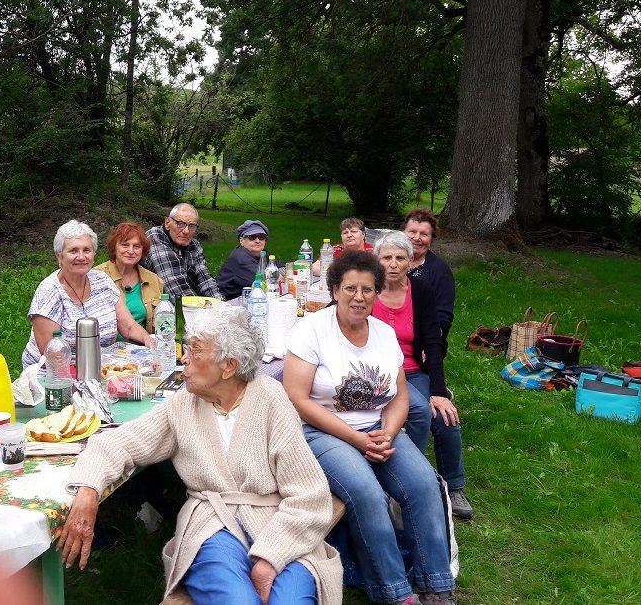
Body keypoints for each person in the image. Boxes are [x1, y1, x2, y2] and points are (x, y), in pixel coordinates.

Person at [59, 306, 342, 605]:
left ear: (228, 366)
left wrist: (270, 558)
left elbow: (310, 497)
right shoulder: (182, 405)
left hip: (278, 522)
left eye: (195, 350)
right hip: (211, 524)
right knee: (237, 601)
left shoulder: (271, 398)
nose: (184, 358)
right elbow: (117, 443)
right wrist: (89, 489)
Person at [284, 250, 457, 605]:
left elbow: (400, 398)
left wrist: (389, 433)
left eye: (367, 289)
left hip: (379, 427)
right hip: (325, 431)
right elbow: (298, 399)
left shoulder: (384, 334)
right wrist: (357, 439)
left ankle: (436, 586)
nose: (358, 297)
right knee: (366, 494)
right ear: (334, 290)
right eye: (350, 288)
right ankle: (395, 591)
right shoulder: (310, 332)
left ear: (377, 293)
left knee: (423, 484)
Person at [373, 232, 472, 521]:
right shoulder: (367, 289)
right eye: (386, 257)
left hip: (413, 370)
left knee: (445, 416)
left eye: (400, 258)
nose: (393, 264)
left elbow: (433, 342)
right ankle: (407, 480)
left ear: (410, 262)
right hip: (377, 372)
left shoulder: (421, 291)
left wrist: (439, 390)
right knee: (418, 411)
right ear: (376, 261)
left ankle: (454, 486)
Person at [22, 220, 155, 369]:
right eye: (73, 251)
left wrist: (148, 340)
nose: (81, 257)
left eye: (86, 250)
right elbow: (51, 356)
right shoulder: (49, 292)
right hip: (54, 376)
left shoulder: (103, 281)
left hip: (100, 367)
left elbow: (129, 327)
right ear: (59, 256)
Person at [94, 221, 164, 335]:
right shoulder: (96, 277)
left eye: (136, 246)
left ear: (143, 251)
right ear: (114, 247)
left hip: (141, 347)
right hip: (104, 347)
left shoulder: (154, 281)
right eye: (125, 245)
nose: (131, 251)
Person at [143, 203, 222, 300]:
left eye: (192, 226)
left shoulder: (193, 245)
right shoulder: (155, 237)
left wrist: (220, 304)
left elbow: (204, 280)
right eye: (181, 224)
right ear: (168, 223)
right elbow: (174, 287)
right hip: (145, 306)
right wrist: (196, 311)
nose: (186, 231)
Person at [403, 208, 455, 346]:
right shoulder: (387, 263)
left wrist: (430, 343)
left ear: (431, 239)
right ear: (403, 233)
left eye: (424, 234)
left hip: (421, 339)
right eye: (412, 232)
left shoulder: (440, 271)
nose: (417, 238)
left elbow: (443, 316)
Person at [215, 219, 282, 300]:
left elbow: (282, 269)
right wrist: (278, 276)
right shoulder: (240, 258)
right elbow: (265, 283)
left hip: (248, 299)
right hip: (227, 303)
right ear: (241, 241)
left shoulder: (263, 254)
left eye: (261, 237)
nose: (257, 241)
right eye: (252, 237)